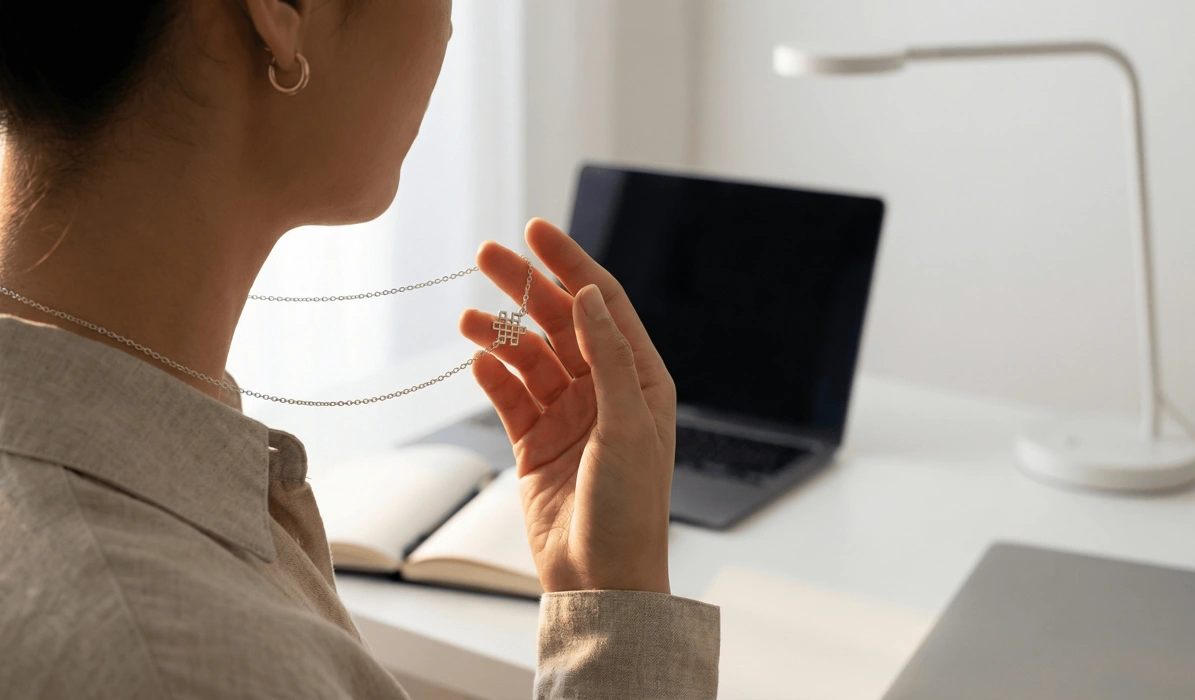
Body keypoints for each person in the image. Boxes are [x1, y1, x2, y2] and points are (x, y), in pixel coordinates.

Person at [0, 1, 720, 698]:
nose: (447, 24)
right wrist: (622, 612)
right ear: (282, 10)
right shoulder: (187, 662)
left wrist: (602, 587)